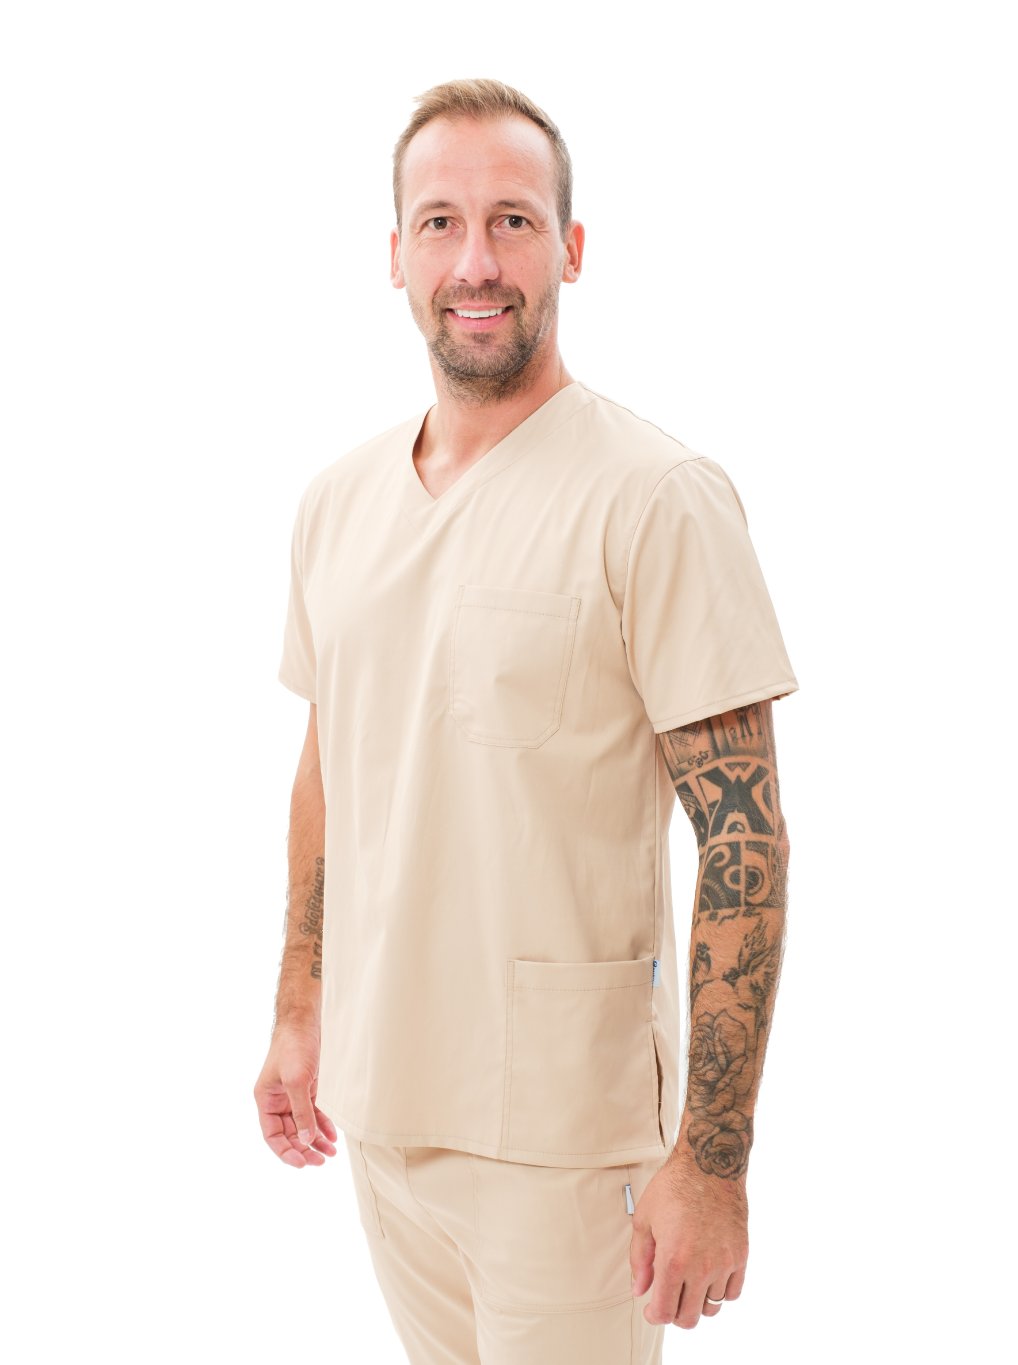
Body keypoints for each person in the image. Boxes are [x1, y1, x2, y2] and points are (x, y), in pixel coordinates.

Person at [253, 77, 799, 1365]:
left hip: (563, 1141)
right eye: (439, 223)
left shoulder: (655, 498)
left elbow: (744, 840)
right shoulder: (338, 503)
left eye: (513, 220)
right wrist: (300, 1007)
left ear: (571, 248)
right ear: (395, 256)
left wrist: (713, 1161)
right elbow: (334, 762)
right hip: (381, 1105)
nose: (476, 262)